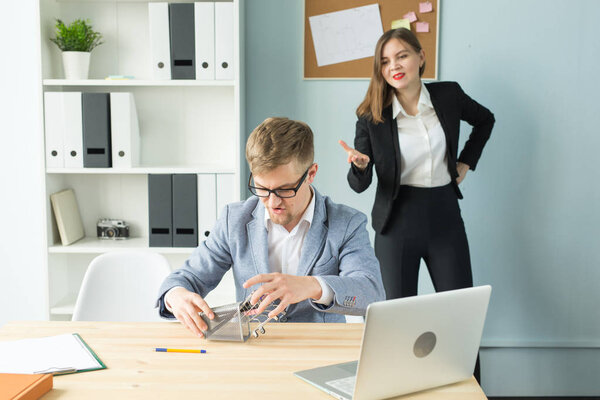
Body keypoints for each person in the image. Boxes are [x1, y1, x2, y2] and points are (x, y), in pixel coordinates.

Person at [339, 29, 494, 382]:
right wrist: (359, 166)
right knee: (396, 324)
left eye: (402, 56)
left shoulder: (448, 95)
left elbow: (485, 119)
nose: (394, 66)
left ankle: (470, 392)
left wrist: (466, 162)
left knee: (459, 318)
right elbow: (358, 185)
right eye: (385, 61)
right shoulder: (371, 115)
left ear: (421, 57)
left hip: (444, 217)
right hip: (397, 224)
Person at [157, 117, 385, 337]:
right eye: (262, 188)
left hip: (320, 349)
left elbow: (371, 293)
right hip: (255, 352)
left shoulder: (347, 223)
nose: (273, 202)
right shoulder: (234, 219)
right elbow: (187, 277)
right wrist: (175, 295)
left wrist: (312, 286)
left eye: (285, 189)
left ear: (311, 174)